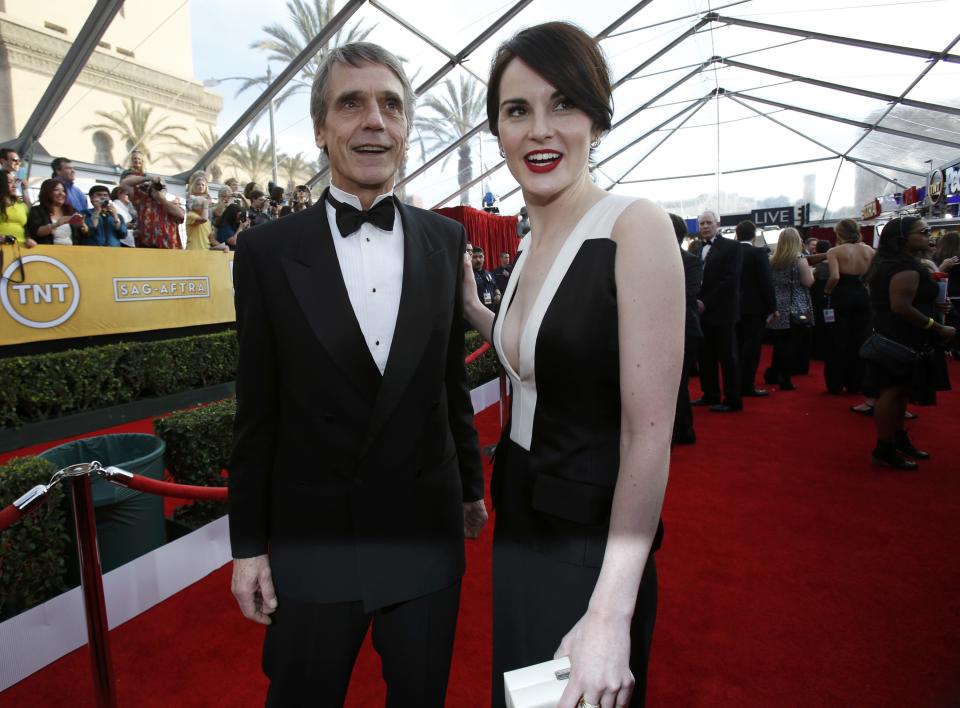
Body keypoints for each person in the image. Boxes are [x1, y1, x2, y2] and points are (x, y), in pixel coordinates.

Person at [227, 42, 486, 708]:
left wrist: (470, 486)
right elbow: (257, 413)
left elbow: (448, 381)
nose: (374, 119)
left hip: (423, 531)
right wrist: (249, 547)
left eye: (390, 104)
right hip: (315, 539)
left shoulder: (444, 240)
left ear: (405, 127)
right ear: (321, 129)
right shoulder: (264, 251)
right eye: (351, 103)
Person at [462, 22, 682, 708]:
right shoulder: (530, 240)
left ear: (597, 116)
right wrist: (474, 309)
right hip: (522, 507)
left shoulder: (634, 226)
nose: (540, 130)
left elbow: (646, 436)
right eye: (517, 110)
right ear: (497, 129)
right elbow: (540, 352)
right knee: (524, 693)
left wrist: (611, 612)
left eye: (563, 105)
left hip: (593, 534)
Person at [863, 217, 955, 469]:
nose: (929, 236)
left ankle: (895, 440)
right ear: (902, 238)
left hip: (894, 333)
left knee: (899, 390)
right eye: (923, 232)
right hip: (900, 336)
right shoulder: (903, 267)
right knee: (892, 392)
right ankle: (884, 447)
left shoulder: (891, 263)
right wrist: (936, 326)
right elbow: (901, 307)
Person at [694, 210, 744, 412]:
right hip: (701, 313)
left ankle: (733, 400)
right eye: (702, 223)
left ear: (718, 223)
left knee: (727, 357)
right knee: (705, 358)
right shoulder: (697, 248)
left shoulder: (732, 247)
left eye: (709, 222)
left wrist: (706, 302)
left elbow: (730, 281)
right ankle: (710, 394)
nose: (705, 226)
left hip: (722, 313)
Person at [823, 219, 874, 394]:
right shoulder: (869, 250)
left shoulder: (835, 251)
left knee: (838, 339)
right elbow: (872, 275)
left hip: (842, 296)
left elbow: (835, 276)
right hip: (863, 296)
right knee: (860, 339)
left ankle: (835, 384)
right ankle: (857, 383)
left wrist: (827, 291)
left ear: (839, 233)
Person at [764, 227, 814, 391]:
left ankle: (773, 373)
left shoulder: (772, 259)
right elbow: (807, 282)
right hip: (796, 304)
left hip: (778, 305)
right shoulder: (799, 259)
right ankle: (784, 378)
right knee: (791, 343)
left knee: (780, 342)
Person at [670, 212, 703, 445]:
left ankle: (682, 431)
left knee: (677, 385)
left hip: (684, 331)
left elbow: (687, 295)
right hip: (654, 333)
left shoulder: (691, 261)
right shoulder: (642, 259)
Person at [736, 219, 776, 397]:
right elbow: (766, 283)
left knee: (735, 348)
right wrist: (772, 306)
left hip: (733, 308)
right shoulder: (758, 253)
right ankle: (747, 385)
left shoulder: (730, 253)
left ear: (737, 234)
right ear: (753, 235)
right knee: (751, 349)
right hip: (754, 309)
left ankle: (735, 384)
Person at [120, 162, 185, 249]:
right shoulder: (141, 201)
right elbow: (124, 183)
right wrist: (149, 178)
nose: (159, 189)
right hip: (145, 249)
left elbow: (181, 215)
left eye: (162, 187)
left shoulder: (171, 204)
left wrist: (161, 199)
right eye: (155, 187)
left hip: (169, 250)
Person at [26, 178, 86, 245]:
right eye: (56, 190)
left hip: (72, 252)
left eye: (63, 191)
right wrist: (56, 224)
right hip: (47, 252)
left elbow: (84, 234)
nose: (61, 193)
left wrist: (83, 225)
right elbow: (36, 232)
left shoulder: (72, 211)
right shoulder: (37, 210)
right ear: (47, 192)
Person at [0, 168, 31, 246]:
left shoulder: (20, 204)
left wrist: (25, 190)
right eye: (9, 182)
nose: (14, 186)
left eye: (14, 182)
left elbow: (30, 214)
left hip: (21, 248)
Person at [471, 246, 501, 311]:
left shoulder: (489, 273)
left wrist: (498, 294)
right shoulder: (469, 275)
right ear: (470, 258)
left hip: (492, 309)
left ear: (484, 258)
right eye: (475, 257)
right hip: (477, 311)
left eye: (480, 257)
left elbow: (495, 287)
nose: (478, 260)